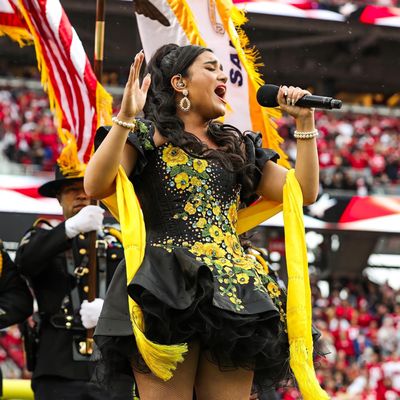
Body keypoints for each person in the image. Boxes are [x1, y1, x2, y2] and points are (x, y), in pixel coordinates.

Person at [84, 44, 321, 400]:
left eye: (222, 70)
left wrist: (305, 124)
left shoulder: (236, 146)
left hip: (233, 289)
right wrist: (125, 118)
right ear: (180, 83)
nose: (223, 75)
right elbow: (96, 184)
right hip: (163, 285)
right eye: (211, 68)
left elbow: (302, 191)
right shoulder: (146, 136)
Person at [15, 166, 133, 400]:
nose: (82, 194)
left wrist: (113, 313)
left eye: (88, 187)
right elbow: (24, 264)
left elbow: (140, 293)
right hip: (58, 369)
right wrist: (69, 229)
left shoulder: (119, 241)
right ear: (59, 198)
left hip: (111, 368)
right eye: (72, 189)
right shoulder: (42, 236)